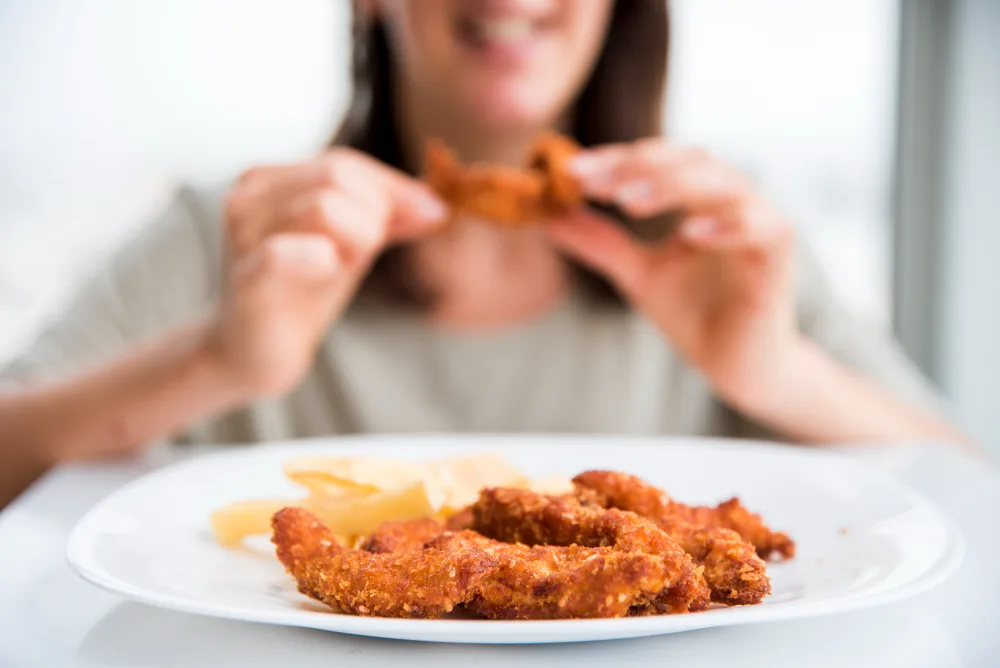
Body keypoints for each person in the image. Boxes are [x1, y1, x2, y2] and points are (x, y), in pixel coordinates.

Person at [0, 0, 969, 506]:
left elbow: (969, 490)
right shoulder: (244, 235)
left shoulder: (720, 247)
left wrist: (774, 369)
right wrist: (218, 358)